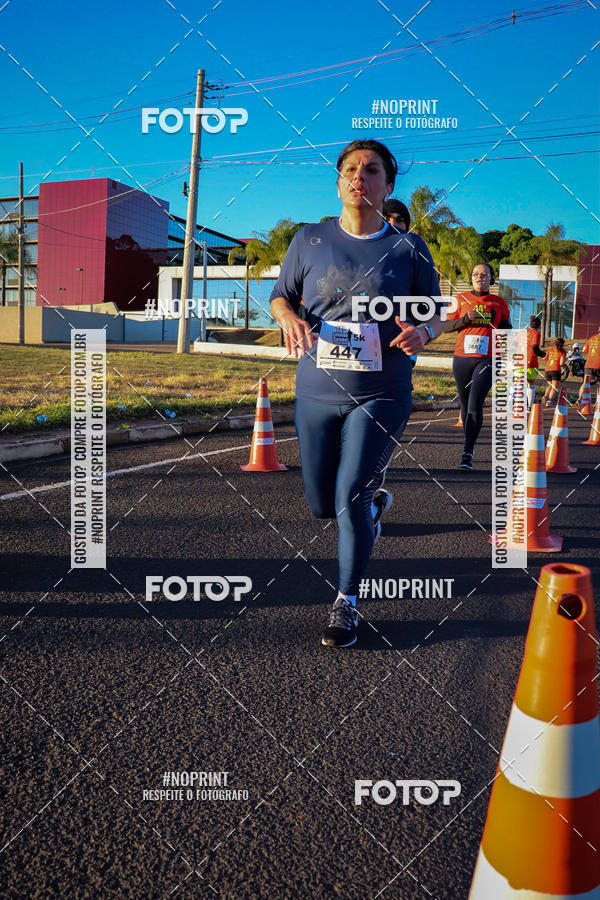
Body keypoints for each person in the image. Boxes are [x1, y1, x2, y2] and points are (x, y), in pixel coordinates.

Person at [269, 139, 443, 649]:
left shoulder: (408, 249)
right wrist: (288, 317)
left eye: (370, 171)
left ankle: (346, 602)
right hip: (316, 391)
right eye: (349, 170)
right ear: (338, 181)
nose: (358, 178)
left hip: (383, 391)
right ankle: (373, 506)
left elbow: (436, 308)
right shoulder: (308, 240)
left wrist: (424, 332)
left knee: (349, 496)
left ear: (388, 185)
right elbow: (280, 296)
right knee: (322, 505)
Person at [443, 263, 512, 470]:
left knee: (475, 404)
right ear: (471, 278)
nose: (480, 277)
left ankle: (467, 451)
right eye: (475, 274)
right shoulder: (460, 299)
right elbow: (446, 326)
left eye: (484, 274)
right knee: (464, 406)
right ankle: (469, 442)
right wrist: (466, 318)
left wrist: (507, 332)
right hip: (462, 358)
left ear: (491, 278)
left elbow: (506, 328)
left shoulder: (499, 302)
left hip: (488, 359)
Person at [525, 315, 544, 407]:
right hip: (530, 361)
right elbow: (535, 347)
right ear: (539, 326)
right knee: (530, 383)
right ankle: (529, 406)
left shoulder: (524, 331)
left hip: (518, 359)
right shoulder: (536, 333)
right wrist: (544, 355)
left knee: (518, 384)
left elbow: (514, 343)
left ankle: (511, 407)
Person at [579, 326, 600, 404]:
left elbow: (584, 350)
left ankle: (579, 400)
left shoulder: (591, 339)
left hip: (589, 364)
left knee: (585, 383)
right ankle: (598, 403)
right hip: (598, 364)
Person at [542, 337, 566, 406]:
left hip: (547, 370)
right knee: (554, 387)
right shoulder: (562, 352)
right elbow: (561, 363)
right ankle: (549, 401)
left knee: (550, 385)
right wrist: (564, 362)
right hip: (556, 370)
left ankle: (545, 396)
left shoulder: (550, 350)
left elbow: (546, 358)